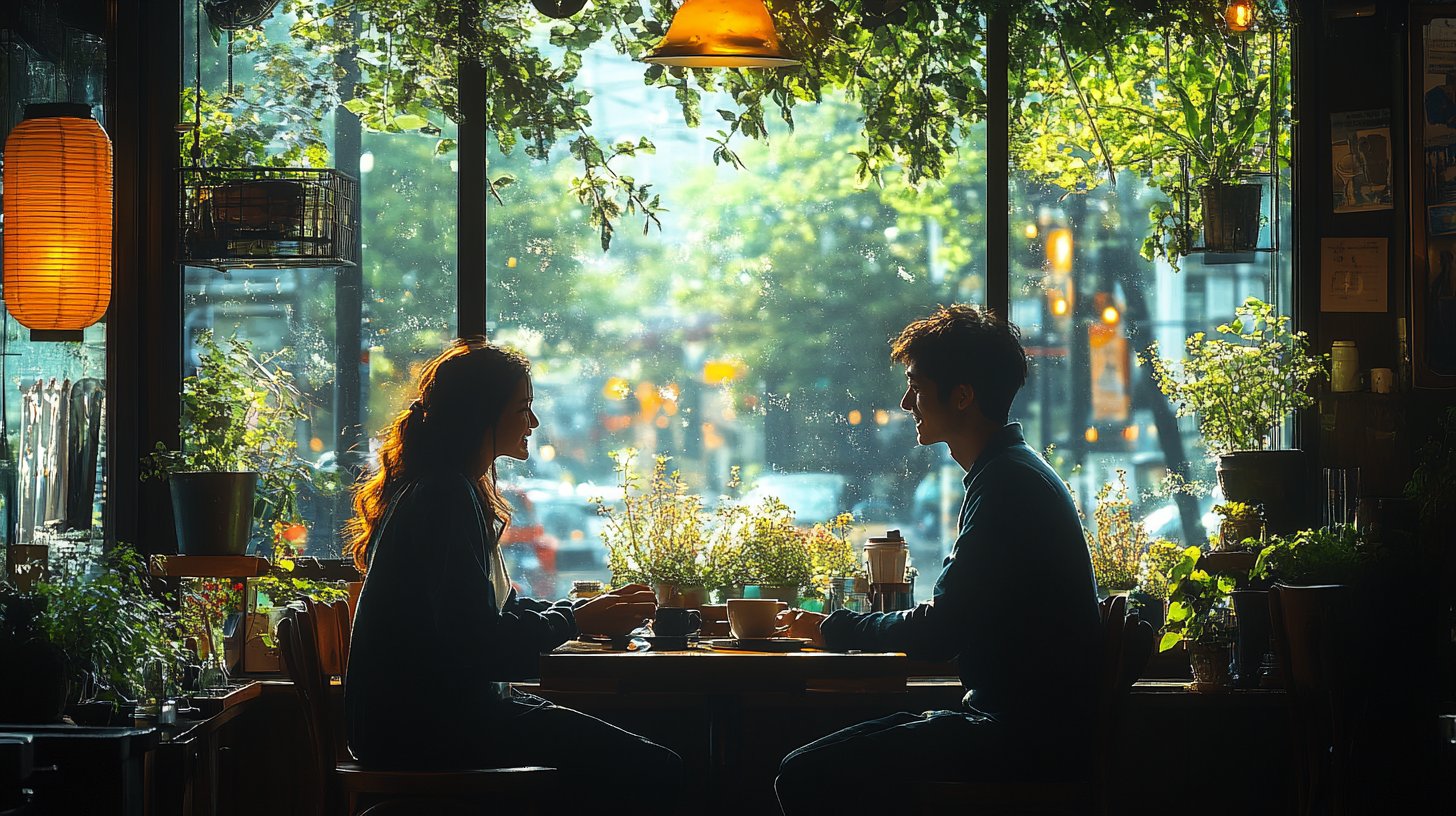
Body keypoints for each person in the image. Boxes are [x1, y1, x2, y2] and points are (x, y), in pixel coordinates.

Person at [773, 305, 1101, 815]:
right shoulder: (1010, 473)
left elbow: (941, 630)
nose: (907, 402)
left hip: (1015, 740)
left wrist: (835, 630)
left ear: (963, 395)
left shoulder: (1007, 485)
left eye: (916, 385)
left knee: (803, 774)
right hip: (1029, 731)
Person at [343, 337, 683, 798]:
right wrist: (578, 618)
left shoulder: (442, 487)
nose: (534, 422)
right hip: (429, 728)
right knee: (658, 768)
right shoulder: (447, 496)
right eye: (523, 407)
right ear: (483, 412)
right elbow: (480, 644)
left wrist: (580, 611)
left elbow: (488, 620)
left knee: (632, 760)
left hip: (415, 720)